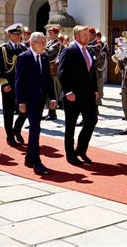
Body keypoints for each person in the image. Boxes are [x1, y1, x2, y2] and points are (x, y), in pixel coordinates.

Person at [16, 32, 56, 175]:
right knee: (35, 129)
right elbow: (19, 81)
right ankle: (36, 161)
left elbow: (47, 79)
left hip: (40, 100)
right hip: (28, 100)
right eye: (41, 42)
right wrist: (20, 101)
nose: (44, 45)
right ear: (32, 43)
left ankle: (29, 157)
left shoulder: (44, 57)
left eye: (45, 42)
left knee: (35, 128)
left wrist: (52, 97)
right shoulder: (23, 58)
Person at [58, 25, 98, 165]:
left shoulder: (89, 50)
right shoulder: (69, 50)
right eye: (84, 34)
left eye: (88, 34)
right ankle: (70, 155)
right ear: (76, 36)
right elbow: (62, 72)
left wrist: (95, 89)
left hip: (88, 94)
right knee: (71, 125)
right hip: (73, 95)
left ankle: (81, 150)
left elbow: (92, 72)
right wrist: (67, 91)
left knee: (92, 120)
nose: (88, 37)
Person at [0, 23, 28, 146]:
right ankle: (10, 136)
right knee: (8, 111)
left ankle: (17, 129)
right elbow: (0, 68)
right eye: (16, 34)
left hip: (21, 85)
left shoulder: (24, 49)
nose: (19, 36)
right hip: (9, 84)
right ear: (10, 35)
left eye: (20, 34)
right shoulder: (4, 49)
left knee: (25, 110)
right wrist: (4, 84)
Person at [44, 27, 62, 121]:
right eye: (49, 32)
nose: (49, 34)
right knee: (48, 91)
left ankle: (53, 112)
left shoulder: (57, 44)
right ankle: (49, 111)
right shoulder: (49, 43)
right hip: (48, 70)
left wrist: (40, 47)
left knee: (53, 91)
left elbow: (50, 53)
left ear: (56, 34)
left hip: (53, 71)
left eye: (51, 32)